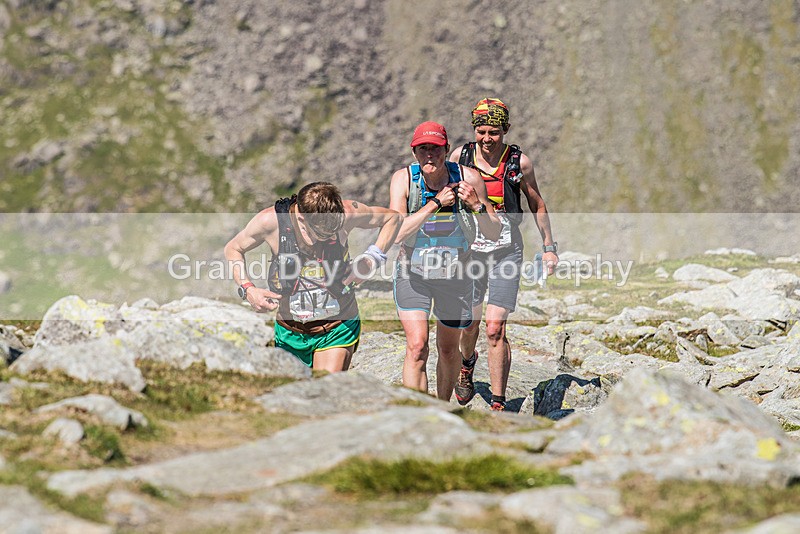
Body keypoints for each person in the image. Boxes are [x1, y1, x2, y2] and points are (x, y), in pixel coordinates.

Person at [449, 98, 558, 411]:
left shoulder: (519, 163)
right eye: (481, 131)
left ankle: (498, 404)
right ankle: (467, 364)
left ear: (505, 130)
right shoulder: (460, 158)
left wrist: (549, 248)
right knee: (468, 324)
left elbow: (537, 203)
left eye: (494, 132)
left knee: (495, 327)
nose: (487, 139)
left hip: (506, 251)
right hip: (470, 253)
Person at [224, 182, 401, 372]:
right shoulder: (271, 221)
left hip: (337, 327)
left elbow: (393, 219)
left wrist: (371, 259)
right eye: (322, 234)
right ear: (301, 219)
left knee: (327, 386)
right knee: (294, 391)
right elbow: (233, 248)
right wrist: (248, 289)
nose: (329, 238)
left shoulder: (348, 212)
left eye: (333, 232)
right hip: (289, 331)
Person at [389, 121, 500, 400]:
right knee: (417, 346)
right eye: (423, 149)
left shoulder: (469, 178)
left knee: (449, 350)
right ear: (414, 152)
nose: (430, 155)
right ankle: (417, 410)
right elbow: (395, 233)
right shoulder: (404, 180)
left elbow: (494, 231)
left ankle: (441, 408)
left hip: (456, 277)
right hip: (413, 275)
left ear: (446, 149)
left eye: (436, 148)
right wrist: (436, 203)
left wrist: (476, 205)